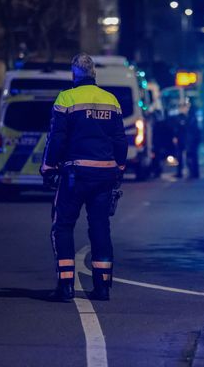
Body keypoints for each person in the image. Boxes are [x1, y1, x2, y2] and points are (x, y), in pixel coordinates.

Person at [41, 53, 128, 302]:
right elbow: (120, 140)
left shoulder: (67, 98)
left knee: (63, 226)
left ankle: (66, 286)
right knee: (100, 227)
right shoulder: (111, 100)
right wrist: (119, 168)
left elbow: (56, 138)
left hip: (74, 174)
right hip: (104, 175)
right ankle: (102, 287)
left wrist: (48, 166)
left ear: (74, 74)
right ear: (94, 74)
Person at [186, 102, 201, 179]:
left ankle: (193, 173)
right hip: (193, 140)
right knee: (193, 157)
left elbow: (190, 130)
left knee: (191, 157)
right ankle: (194, 173)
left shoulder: (191, 118)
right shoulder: (195, 118)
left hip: (191, 140)